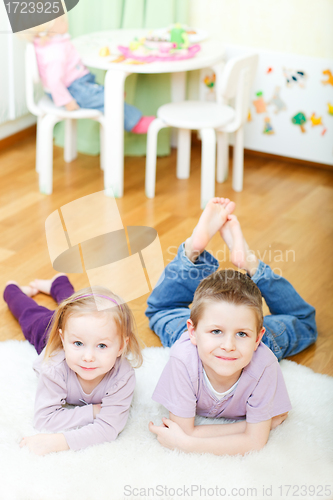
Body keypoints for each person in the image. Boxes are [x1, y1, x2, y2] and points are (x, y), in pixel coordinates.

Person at [147, 198, 317, 455]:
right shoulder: (184, 355)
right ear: (192, 331)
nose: (228, 346)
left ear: (258, 336)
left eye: (241, 334)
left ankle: (249, 263)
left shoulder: (263, 361)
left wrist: (188, 444)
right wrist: (260, 424)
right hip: (200, 346)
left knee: (305, 322)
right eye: (217, 331)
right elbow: (249, 435)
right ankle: (192, 249)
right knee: (159, 311)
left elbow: (251, 441)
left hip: (246, 346)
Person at [3, 275, 143, 455]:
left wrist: (60, 442)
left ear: (121, 347)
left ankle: (58, 283)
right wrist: (92, 411)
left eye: (102, 346)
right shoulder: (55, 367)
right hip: (46, 331)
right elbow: (43, 420)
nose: (88, 357)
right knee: (29, 313)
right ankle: (11, 290)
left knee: (81, 310)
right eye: (78, 344)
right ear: (63, 339)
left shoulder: (122, 376)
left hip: (77, 328)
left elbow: (109, 428)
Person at [26, 14, 155, 133]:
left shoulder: (49, 43)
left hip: (77, 84)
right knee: (112, 101)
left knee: (104, 96)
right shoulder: (55, 53)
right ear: (50, 28)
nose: (66, 22)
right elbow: (54, 81)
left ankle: (109, 96)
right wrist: (66, 101)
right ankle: (136, 122)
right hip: (72, 90)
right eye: (62, 20)